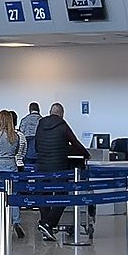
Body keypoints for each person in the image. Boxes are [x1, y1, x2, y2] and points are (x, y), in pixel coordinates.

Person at [28, 102, 83, 238]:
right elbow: (74, 142)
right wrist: (86, 154)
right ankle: (48, 224)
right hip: (59, 166)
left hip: (42, 166)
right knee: (62, 195)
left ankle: (46, 228)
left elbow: (36, 146)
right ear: (61, 114)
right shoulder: (62, 125)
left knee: (44, 196)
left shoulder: (41, 124)